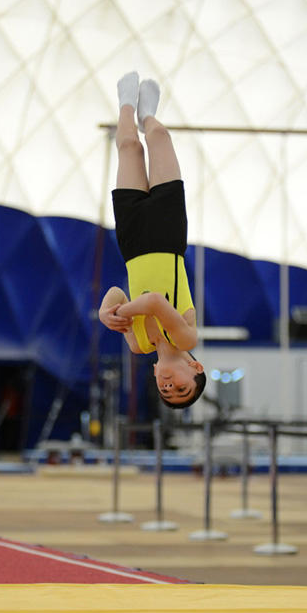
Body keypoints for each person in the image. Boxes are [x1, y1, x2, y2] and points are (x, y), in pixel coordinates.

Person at [99, 72, 206, 409]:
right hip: (167, 234)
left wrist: (106, 310)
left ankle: (127, 104)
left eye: (166, 393)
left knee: (129, 148)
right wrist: (122, 312)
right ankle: (149, 114)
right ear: (195, 367)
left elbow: (118, 293)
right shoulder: (186, 337)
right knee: (159, 137)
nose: (169, 387)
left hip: (132, 244)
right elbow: (155, 301)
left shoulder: (139, 346)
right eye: (182, 389)